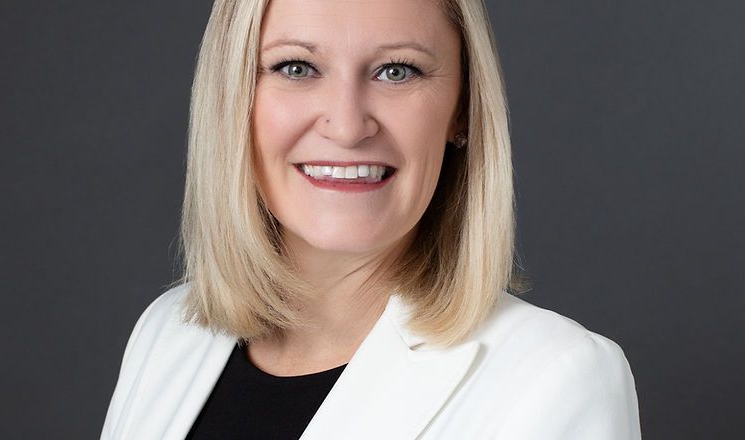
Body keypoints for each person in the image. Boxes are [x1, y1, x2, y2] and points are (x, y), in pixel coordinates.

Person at [100, 0, 642, 438]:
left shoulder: (554, 379)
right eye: (296, 67)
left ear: (462, 107)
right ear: (232, 96)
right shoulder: (166, 334)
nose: (347, 125)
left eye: (396, 71)